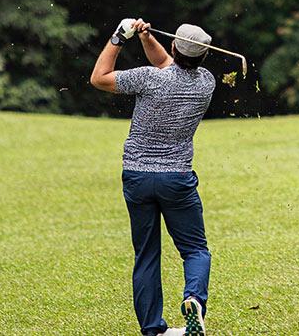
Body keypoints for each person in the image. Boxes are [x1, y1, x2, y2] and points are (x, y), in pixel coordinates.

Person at [90, 18, 218, 336]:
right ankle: (194, 300)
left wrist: (120, 36)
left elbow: (99, 78)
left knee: (146, 254)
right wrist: (146, 38)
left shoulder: (150, 79)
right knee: (195, 250)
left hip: (137, 177)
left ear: (174, 46)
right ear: (203, 57)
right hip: (177, 179)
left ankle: (152, 329)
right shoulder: (207, 82)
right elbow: (169, 65)